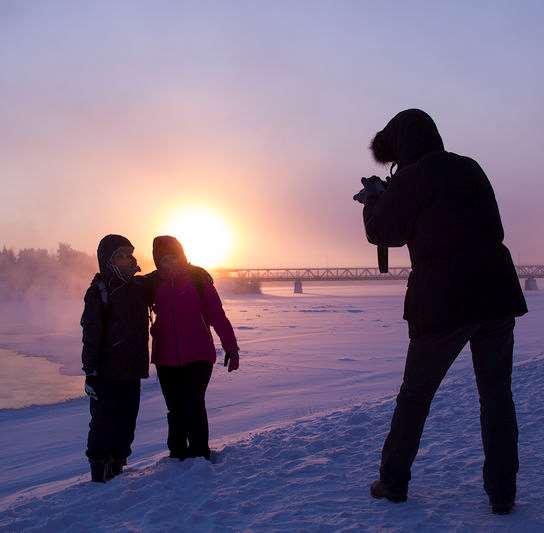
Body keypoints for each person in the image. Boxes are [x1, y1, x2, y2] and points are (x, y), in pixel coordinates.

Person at [360, 109, 527, 514]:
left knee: (415, 396)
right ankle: (502, 494)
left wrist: (374, 201)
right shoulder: (470, 167)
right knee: (497, 396)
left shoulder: (413, 177)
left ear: (399, 145)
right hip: (496, 293)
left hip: (442, 303)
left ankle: (394, 481)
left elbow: (383, 233)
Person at [145, 236, 239, 461]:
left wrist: (231, 347)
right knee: (175, 408)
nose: (169, 263)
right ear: (158, 260)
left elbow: (217, 316)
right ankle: (177, 454)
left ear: (181, 255)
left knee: (194, 403)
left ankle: (199, 454)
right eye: (163, 259)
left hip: (198, 356)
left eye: (173, 257)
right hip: (166, 358)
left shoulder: (198, 280)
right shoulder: (152, 283)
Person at [81, 234, 149, 482]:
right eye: (119, 255)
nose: (127, 259)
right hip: (107, 371)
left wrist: (195, 273)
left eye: (129, 254)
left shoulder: (137, 287)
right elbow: (91, 334)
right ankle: (100, 470)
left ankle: (118, 466)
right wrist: (91, 372)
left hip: (132, 369)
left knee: (127, 420)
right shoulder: (99, 292)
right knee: (103, 421)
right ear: (107, 261)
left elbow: (163, 278)